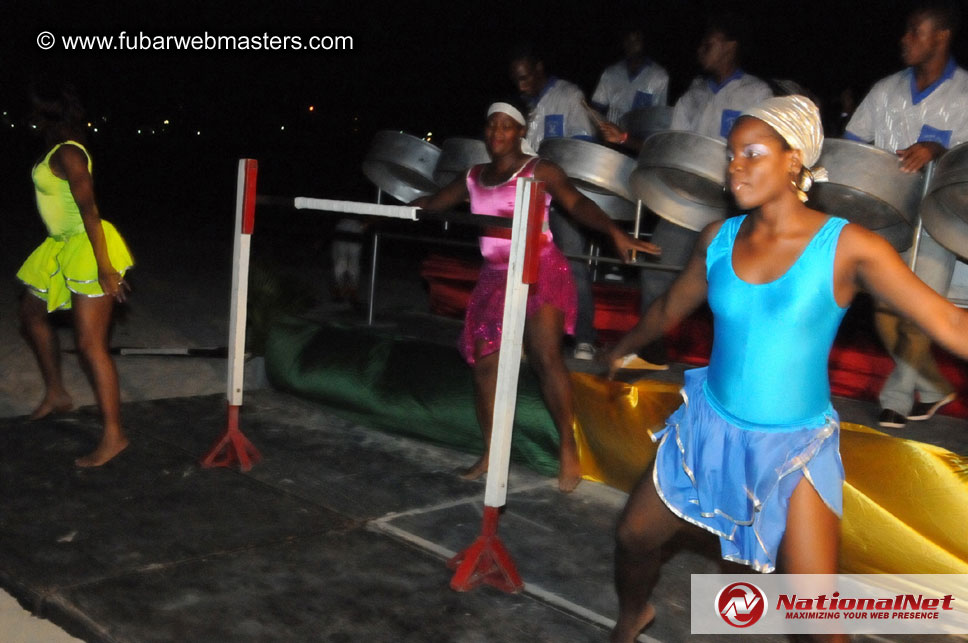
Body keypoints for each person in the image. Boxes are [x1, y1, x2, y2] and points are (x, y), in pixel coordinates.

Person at [602, 95, 968, 642]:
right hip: (708, 431)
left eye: (752, 153)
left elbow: (951, 323)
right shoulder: (717, 240)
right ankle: (633, 615)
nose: (735, 166)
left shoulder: (847, 246)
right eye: (730, 155)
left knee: (822, 624)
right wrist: (621, 347)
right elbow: (667, 309)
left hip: (793, 452)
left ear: (794, 159)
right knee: (633, 537)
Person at [412, 102, 658, 492]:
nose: (497, 134)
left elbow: (577, 203)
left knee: (545, 355)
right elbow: (433, 204)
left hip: (541, 269)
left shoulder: (539, 169)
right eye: (491, 126)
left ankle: (567, 445)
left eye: (506, 127)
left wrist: (613, 232)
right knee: (484, 367)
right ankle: (493, 452)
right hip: (496, 277)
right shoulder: (473, 176)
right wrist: (384, 213)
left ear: (520, 131)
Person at [844, 1, 968, 429]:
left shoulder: (965, 93)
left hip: (938, 220)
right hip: (888, 213)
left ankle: (895, 396)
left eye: (916, 31)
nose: (905, 38)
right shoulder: (885, 90)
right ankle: (933, 388)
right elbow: (855, 142)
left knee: (916, 310)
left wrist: (939, 150)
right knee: (885, 309)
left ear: (942, 36)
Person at [636, 13, 773, 364]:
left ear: (731, 46)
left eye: (709, 44)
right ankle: (652, 344)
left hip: (735, 205)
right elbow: (677, 145)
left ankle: (739, 358)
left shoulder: (756, 93)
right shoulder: (692, 96)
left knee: (734, 283)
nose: (701, 50)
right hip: (689, 200)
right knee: (656, 267)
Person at [17, 82, 134, 467]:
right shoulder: (56, 150)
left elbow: (90, 211)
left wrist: (105, 267)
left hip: (86, 245)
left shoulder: (69, 153)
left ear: (46, 117)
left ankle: (114, 436)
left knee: (89, 344)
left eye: (35, 114)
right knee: (31, 313)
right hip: (59, 245)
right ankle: (57, 392)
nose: (31, 121)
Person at [509, 45, 600, 361]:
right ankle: (522, 337)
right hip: (530, 196)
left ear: (539, 69)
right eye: (515, 80)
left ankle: (584, 339)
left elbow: (585, 147)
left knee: (573, 263)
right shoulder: (523, 106)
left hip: (562, 196)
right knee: (524, 266)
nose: (520, 86)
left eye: (524, 78)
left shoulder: (569, 96)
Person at [592, 28, 669, 148]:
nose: (631, 45)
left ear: (645, 42)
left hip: (638, 143)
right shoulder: (611, 73)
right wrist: (600, 129)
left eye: (636, 40)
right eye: (627, 41)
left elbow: (657, 118)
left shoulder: (658, 75)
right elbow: (597, 109)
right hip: (611, 141)